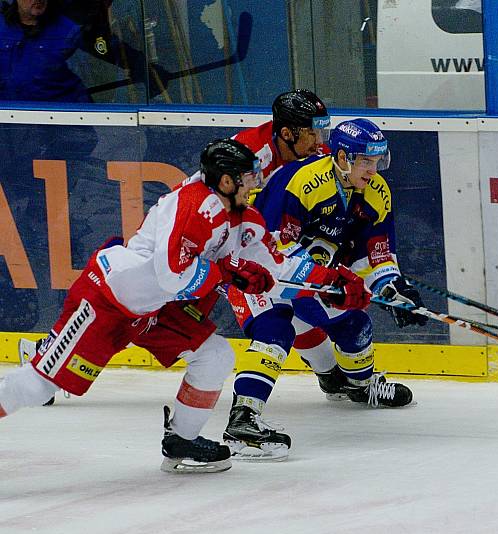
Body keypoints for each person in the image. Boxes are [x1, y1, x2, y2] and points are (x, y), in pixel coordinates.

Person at [0, 138, 366, 473]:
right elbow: (171, 273)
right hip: (106, 301)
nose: (255, 183)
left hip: (153, 312)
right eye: (248, 177)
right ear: (225, 182)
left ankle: (181, 441)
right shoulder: (191, 205)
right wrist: (226, 272)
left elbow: (279, 266)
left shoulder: (243, 219)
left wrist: (332, 282)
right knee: (38, 387)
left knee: (216, 355)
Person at [222, 118, 428, 461]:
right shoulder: (301, 182)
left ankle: (357, 387)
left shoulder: (376, 192)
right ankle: (242, 420)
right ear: (343, 157)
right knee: (275, 330)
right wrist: (328, 280)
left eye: (377, 161)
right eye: (365, 161)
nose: (372, 170)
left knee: (355, 325)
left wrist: (392, 285)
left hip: (311, 277)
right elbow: (272, 249)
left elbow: (375, 252)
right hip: (255, 271)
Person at [0, 0, 163, 102]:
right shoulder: (2, 28)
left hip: (56, 131)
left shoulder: (67, 30)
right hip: (11, 133)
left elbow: (109, 49)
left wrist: (144, 68)